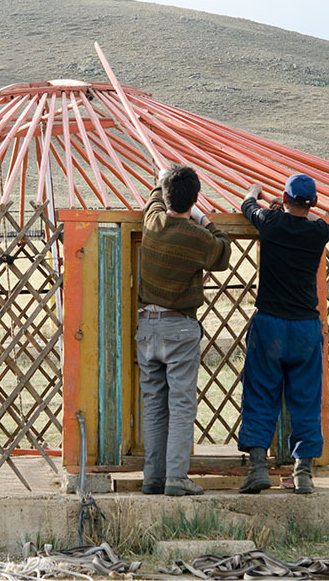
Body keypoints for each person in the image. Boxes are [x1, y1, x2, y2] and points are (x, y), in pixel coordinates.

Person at [137, 165, 231, 496]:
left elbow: (154, 200)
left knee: (154, 403)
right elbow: (223, 252)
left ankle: (153, 477)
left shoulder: (153, 222)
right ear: (195, 199)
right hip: (179, 327)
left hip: (146, 328)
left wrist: (161, 180)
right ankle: (176, 477)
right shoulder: (197, 237)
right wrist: (205, 219)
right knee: (181, 405)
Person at [238, 174, 329, 494]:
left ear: (284, 197)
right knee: (306, 399)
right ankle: (303, 473)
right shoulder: (321, 231)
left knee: (261, 393)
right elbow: (317, 219)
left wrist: (259, 195)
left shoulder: (270, 223)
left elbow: (247, 204)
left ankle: (257, 468)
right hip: (305, 327)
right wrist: (289, 207)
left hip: (272, 325)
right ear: (313, 203)